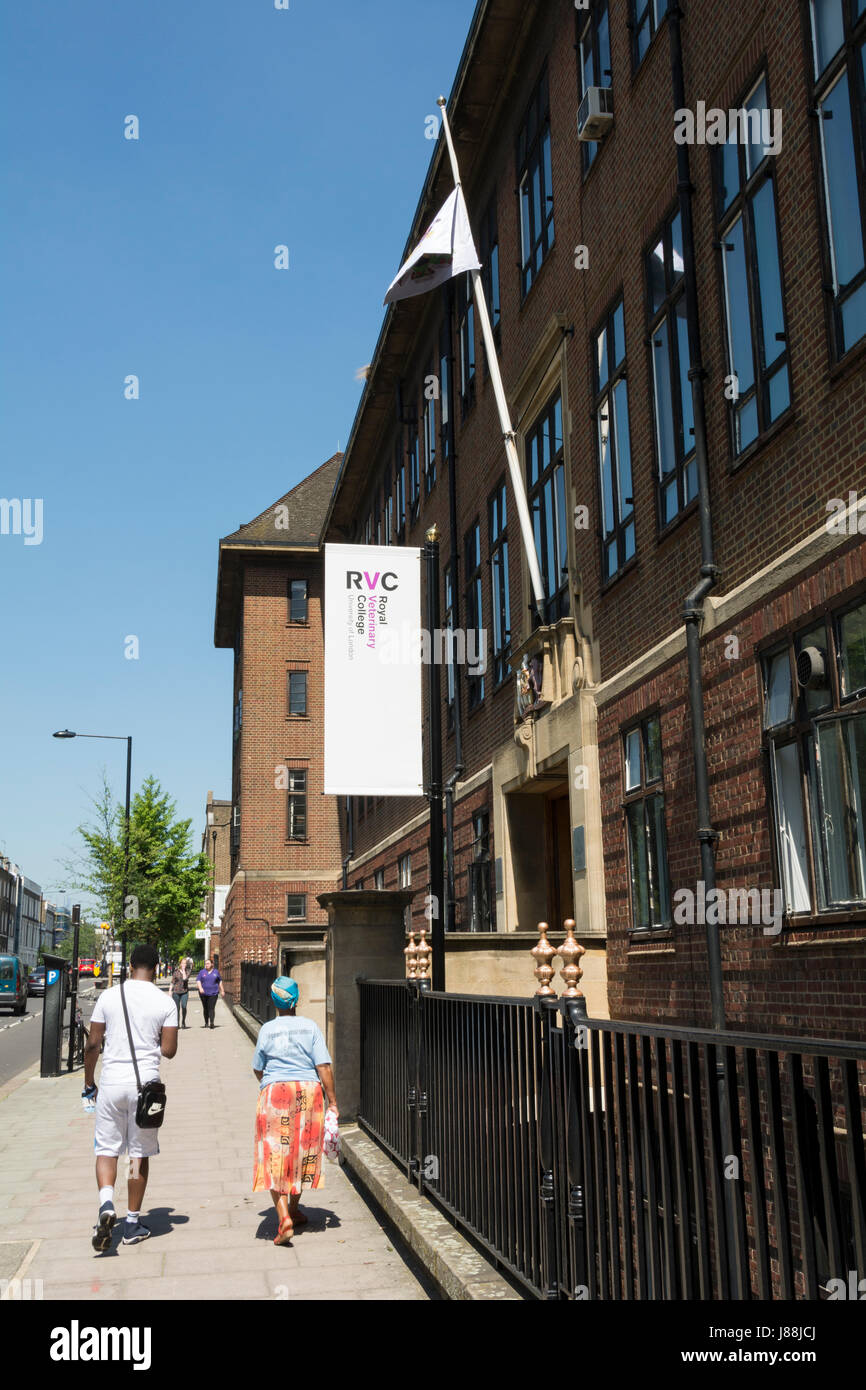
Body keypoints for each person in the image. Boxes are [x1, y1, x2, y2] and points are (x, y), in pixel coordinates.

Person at [83, 943, 178, 1252]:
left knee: (107, 1149)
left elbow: (93, 1044)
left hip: (111, 1083)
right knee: (137, 1153)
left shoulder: (109, 996)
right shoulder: (165, 1002)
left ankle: (107, 1204)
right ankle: (133, 1223)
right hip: (145, 1088)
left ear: (130, 966)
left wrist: (89, 1083)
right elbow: (169, 1050)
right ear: (155, 967)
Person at [251, 977, 338, 1245]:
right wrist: (332, 1100)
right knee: (303, 1151)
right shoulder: (310, 1027)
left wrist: (270, 1085)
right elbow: (323, 1066)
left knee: (275, 1155)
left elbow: (257, 1066)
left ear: (274, 1002)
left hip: (276, 1092)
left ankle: (285, 1217)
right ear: (296, 1000)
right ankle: (294, 1208)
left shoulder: (267, 1029)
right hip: (308, 1092)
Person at [196, 958, 224, 1028]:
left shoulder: (216, 972)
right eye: (205, 964)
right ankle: (206, 1022)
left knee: (211, 1008)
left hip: (213, 993)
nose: (206, 965)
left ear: (212, 964)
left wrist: (222, 990)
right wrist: (200, 988)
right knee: (205, 1008)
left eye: (208, 963)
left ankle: (212, 1022)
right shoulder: (202, 972)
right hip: (203, 993)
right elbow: (198, 980)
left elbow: (220, 981)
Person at [170, 960, 190, 1028]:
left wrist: (183, 970)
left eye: (185, 963)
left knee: (184, 1007)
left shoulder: (188, 971)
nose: (184, 964)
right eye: (183, 963)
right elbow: (172, 981)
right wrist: (170, 991)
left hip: (184, 992)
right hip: (176, 992)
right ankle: (177, 1023)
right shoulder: (176, 972)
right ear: (180, 964)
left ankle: (183, 1021)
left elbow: (185, 979)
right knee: (177, 1008)